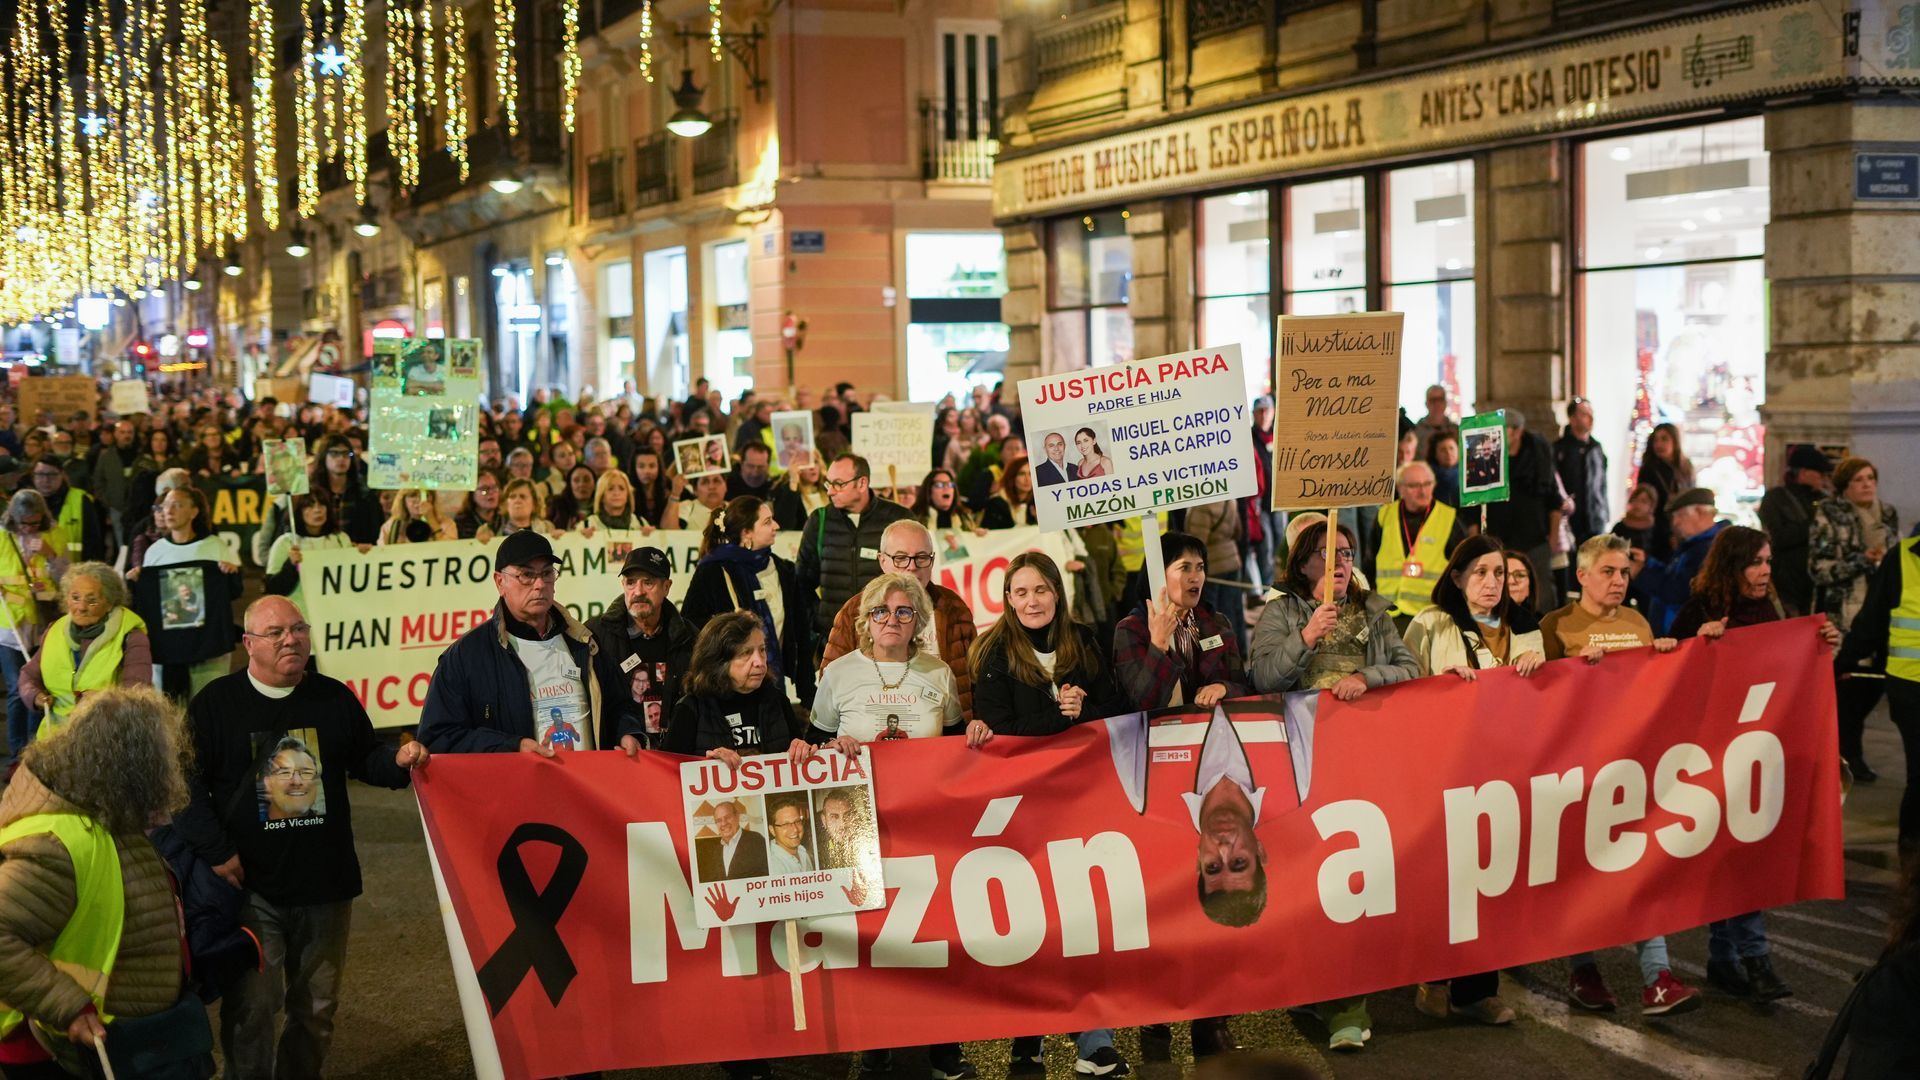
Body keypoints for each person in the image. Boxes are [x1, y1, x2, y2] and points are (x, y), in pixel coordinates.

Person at [172, 595, 426, 1080]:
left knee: (316, 1011)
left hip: (326, 886)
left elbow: (364, 757)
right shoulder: (215, 706)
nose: (291, 639)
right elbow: (181, 785)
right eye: (276, 633)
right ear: (249, 644)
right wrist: (217, 851)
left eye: (298, 629)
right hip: (250, 887)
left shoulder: (333, 697)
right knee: (253, 1010)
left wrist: (397, 762)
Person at [1245, 518, 1414, 1051]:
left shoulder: (1373, 611)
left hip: (1361, 768)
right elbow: (1262, 678)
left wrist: (1369, 676)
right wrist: (1306, 637)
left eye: (1346, 552)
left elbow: (1410, 668)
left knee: (1352, 881)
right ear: (1302, 563)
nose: (1340, 562)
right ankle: (1310, 991)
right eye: (1327, 553)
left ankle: (1347, 1005)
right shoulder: (1280, 612)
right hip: (1298, 768)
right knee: (1305, 883)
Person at [1669, 525, 1840, 1004]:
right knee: (1737, 859)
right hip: (1712, 759)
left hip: (1760, 756)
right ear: (1732, 566)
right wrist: (1695, 645)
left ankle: (1723, 959)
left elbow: (1792, 672)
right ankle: (1757, 959)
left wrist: (1823, 644)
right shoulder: (1701, 609)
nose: (1766, 571)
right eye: (1755, 563)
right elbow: (1666, 673)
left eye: (1768, 561)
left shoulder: (1775, 610)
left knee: (1738, 858)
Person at [1539, 534, 1697, 1015]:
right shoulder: (1555, 625)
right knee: (1581, 876)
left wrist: (1665, 655)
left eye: (1624, 572)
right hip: (1578, 771)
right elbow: (1534, 698)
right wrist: (1571, 673)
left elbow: (1652, 692)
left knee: (1640, 867)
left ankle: (1658, 979)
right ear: (1582, 575)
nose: (1618, 580)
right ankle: (1583, 970)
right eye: (1607, 571)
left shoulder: (1637, 621)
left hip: (1633, 768)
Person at [0, 686, 191, 1079]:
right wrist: (67, 1006)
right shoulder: (56, 843)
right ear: (132, 766)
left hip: (108, 1040)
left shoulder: (105, 816)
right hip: (53, 1048)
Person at [1398, 534, 1542, 1029]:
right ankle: (1432, 978)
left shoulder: (1527, 630)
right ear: (1456, 577)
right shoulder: (1431, 624)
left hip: (1502, 776)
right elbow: (1399, 686)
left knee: (1489, 881)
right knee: (1443, 880)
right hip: (1443, 773)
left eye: (1499, 573)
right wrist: (1435, 686)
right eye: (1479, 572)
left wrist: (1544, 671)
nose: (1491, 583)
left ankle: (1476, 990)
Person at [418, 531, 624, 755]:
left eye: (547, 573)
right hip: (515, 787)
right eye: (526, 575)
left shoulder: (584, 643)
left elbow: (620, 704)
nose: (539, 584)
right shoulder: (467, 656)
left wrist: (627, 732)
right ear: (500, 582)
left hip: (585, 784)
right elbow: (438, 736)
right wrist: (512, 747)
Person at [821, 520, 977, 719]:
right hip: (871, 726)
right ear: (882, 561)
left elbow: (975, 677)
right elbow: (830, 682)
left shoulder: (953, 607)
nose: (912, 567)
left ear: (932, 559)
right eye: (901, 558)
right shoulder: (855, 610)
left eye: (921, 557)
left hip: (944, 729)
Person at [1836, 516, 1920, 866]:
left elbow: (1871, 622)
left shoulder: (1901, 557)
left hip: (1906, 689)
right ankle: (1911, 863)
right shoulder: (1901, 557)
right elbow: (1871, 624)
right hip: (1909, 686)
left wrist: (1841, 662)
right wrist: (1842, 663)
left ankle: (1910, 864)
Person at [813, 571, 984, 743]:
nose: (892, 621)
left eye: (903, 612)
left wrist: (974, 731)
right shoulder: (837, 673)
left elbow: (955, 741)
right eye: (881, 611)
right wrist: (831, 744)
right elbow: (815, 740)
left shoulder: (940, 672)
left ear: (918, 621)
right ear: (867, 619)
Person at [971, 552, 1129, 737]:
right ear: (1010, 599)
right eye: (1021, 593)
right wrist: (1061, 713)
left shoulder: (1082, 639)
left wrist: (1081, 712)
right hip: (1029, 765)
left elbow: (1116, 708)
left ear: (1056, 593)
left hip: (1087, 762)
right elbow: (999, 731)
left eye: (1041, 590)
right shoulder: (993, 653)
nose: (1032, 602)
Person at [1813, 456, 1901, 780]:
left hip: (1880, 613)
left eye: (1870, 478)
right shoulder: (1828, 514)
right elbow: (1819, 569)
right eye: (1859, 480)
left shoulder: (1887, 514)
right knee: (1845, 690)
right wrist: (1861, 560)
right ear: (1845, 487)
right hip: (1844, 612)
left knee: (1871, 687)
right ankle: (1847, 755)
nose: (1867, 485)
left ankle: (1850, 751)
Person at [682, 497, 813, 703]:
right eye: (767, 522)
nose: (777, 526)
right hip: (724, 688)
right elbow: (690, 625)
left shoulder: (785, 570)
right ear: (746, 533)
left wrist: (807, 688)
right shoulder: (713, 571)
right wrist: (727, 625)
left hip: (773, 687)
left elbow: (800, 633)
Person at [1111, 531, 1249, 710]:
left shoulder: (1218, 622)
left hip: (1215, 732)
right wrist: (1158, 646)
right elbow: (1141, 705)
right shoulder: (1131, 630)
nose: (1195, 577)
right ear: (1158, 575)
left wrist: (1224, 688)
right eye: (1185, 568)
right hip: (1161, 735)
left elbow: (1245, 688)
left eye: (1200, 567)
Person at [17, 563, 151, 742]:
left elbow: (138, 694)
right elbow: (28, 675)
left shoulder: (132, 637)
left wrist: (105, 699)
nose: (81, 607)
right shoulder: (54, 631)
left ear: (110, 603)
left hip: (106, 740)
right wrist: (35, 696)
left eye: (92, 600)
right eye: (75, 597)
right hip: (54, 739)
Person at [797, 453, 911, 659]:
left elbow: (914, 580)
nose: (831, 491)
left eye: (839, 484)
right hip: (835, 641)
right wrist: (821, 620)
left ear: (862, 483)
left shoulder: (898, 518)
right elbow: (802, 583)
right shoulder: (818, 521)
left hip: (888, 640)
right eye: (829, 483)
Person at [593, 547, 695, 753]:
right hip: (619, 756)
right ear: (623, 585)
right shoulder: (596, 636)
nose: (638, 592)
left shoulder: (690, 637)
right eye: (631, 582)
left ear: (666, 587)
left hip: (678, 757)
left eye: (648, 582)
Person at [0, 490, 68, 762]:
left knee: (39, 688)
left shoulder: (54, 534)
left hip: (43, 623)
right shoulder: (3, 537)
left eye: (33, 522)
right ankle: (18, 752)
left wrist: (51, 555)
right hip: (9, 625)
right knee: (18, 688)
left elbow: (67, 577)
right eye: (22, 522)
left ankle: (35, 747)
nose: (28, 528)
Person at [1367, 461, 1470, 625]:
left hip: (1430, 616)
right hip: (1387, 613)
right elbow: (1370, 561)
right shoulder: (1385, 515)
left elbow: (1463, 568)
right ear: (1400, 488)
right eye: (1414, 485)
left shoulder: (1448, 518)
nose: (1422, 491)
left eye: (1427, 484)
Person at [1483, 409, 1561, 612]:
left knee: (1541, 594)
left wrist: (1552, 540)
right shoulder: (1489, 460)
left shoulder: (1538, 460)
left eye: (1503, 431)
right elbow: (1476, 502)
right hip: (1498, 540)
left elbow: (1554, 501)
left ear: (1517, 432)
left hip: (1534, 540)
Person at [1632, 487, 1728, 635]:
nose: (1675, 523)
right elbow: (1674, 576)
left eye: (1680, 515)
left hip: (1686, 639)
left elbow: (1677, 591)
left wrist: (1640, 573)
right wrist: (1648, 563)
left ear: (1699, 512)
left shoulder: (1710, 550)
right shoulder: (1695, 545)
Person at [1756, 444, 1834, 619]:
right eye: (1820, 473)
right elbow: (1777, 537)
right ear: (1804, 473)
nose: (1823, 479)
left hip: (1817, 583)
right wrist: (1813, 525)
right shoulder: (1776, 499)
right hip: (1787, 583)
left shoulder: (1824, 500)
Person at [1184, 499, 1247, 653]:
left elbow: (1197, 544)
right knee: (1233, 608)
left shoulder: (1202, 505)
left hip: (1212, 565)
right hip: (1232, 558)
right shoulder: (1230, 500)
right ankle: (1238, 650)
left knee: (1212, 614)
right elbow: (1238, 531)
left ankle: (1221, 654)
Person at [30, 457, 109, 564]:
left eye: (52, 475)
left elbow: (93, 544)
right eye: (40, 474)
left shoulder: (81, 500)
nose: (45, 480)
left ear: (62, 475)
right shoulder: (26, 501)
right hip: (38, 575)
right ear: (33, 476)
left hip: (74, 572)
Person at [1554, 396, 1609, 549]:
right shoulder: (1560, 449)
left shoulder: (1596, 448)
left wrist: (1603, 513)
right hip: (1570, 521)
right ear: (1572, 418)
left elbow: (1602, 484)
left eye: (1591, 413)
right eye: (1584, 413)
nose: (1590, 418)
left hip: (1594, 520)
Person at [1636, 422, 1694, 557]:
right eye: (1656, 440)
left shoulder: (1685, 467)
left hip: (1682, 530)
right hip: (1657, 532)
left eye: (1664, 439)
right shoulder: (1649, 469)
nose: (1659, 444)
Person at [695, 798, 768, 881]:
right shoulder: (714, 851)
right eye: (719, 820)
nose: (723, 823)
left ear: (737, 816)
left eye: (727, 817)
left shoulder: (756, 840)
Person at [377, 488, 458, 545]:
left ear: (433, 499)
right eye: (413, 495)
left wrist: (432, 521)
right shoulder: (392, 526)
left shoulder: (447, 524)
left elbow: (450, 552)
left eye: (426, 496)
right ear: (403, 500)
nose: (419, 500)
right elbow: (381, 554)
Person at [629, 446, 684, 529]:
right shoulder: (627, 489)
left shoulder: (669, 484)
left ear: (659, 467)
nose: (647, 471)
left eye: (652, 466)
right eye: (641, 466)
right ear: (634, 468)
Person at [981, 456, 1038, 529]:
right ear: (1012, 477)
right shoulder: (997, 503)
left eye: (1030, 474)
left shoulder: (1038, 503)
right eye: (1021, 474)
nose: (1027, 479)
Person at [919, 468, 979, 534]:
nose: (946, 488)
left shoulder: (963, 517)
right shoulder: (918, 519)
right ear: (929, 491)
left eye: (950, 484)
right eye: (939, 485)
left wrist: (977, 534)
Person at [453, 470, 506, 539]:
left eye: (494, 488)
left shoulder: (504, 518)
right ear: (472, 494)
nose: (491, 492)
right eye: (484, 489)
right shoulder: (461, 523)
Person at [1411, 384, 1457, 459]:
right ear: (1426, 404)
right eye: (1433, 400)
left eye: (1440, 399)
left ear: (1445, 402)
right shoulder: (1416, 431)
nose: (1437, 404)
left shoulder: (1455, 430)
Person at [679, 473, 730, 538]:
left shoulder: (734, 508)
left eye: (717, 481)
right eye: (705, 482)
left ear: (726, 486)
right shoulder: (686, 506)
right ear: (695, 490)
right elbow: (669, 533)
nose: (712, 487)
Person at [1427, 429, 1462, 509]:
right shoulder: (1427, 477)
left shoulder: (1468, 474)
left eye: (1451, 448)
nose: (1448, 453)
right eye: (1443, 450)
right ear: (1435, 454)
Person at [1503, 549, 1543, 617]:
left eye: (1520, 575)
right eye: (1504, 575)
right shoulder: (1481, 625)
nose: (1511, 581)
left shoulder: (1544, 623)